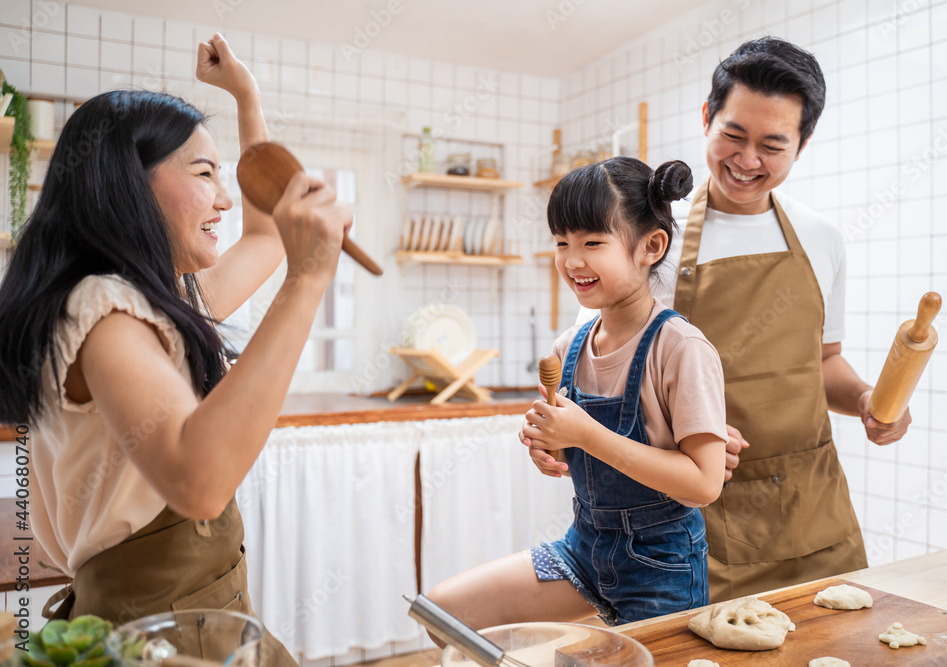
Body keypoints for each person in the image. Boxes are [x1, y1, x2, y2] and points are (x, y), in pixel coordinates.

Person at [0, 34, 352, 664]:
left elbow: (267, 236)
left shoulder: (153, 301)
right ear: (129, 185)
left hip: (203, 614)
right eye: (203, 173)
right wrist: (308, 279)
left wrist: (245, 96)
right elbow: (198, 481)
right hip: (160, 628)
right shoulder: (104, 309)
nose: (224, 199)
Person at [645, 37, 912, 602]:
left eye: (772, 145)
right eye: (733, 136)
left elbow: (822, 363)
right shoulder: (652, 239)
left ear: (803, 144)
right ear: (706, 118)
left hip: (810, 512)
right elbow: (603, 372)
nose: (746, 161)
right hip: (696, 516)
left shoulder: (822, 238)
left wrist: (866, 399)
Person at [425, 157, 729, 632]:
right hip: (583, 550)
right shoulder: (569, 348)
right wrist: (550, 446)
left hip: (662, 567)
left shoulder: (681, 348)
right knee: (443, 612)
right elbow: (573, 451)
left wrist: (586, 435)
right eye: (561, 242)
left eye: (592, 242)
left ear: (651, 246)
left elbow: (704, 484)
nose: (572, 260)